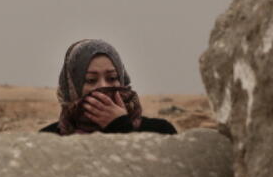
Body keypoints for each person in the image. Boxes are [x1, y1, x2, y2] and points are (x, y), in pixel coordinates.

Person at [39, 39, 177, 135]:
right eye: (91, 80)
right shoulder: (49, 139)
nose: (103, 87)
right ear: (73, 89)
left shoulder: (160, 131)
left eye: (112, 78)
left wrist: (120, 126)